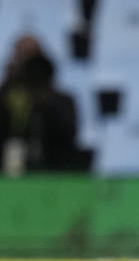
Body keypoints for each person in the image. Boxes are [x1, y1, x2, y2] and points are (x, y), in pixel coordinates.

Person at [0, 34, 82, 174]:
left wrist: (47, 100)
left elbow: (69, 135)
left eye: (32, 55)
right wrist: (9, 85)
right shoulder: (6, 96)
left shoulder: (62, 100)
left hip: (55, 169)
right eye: (22, 55)